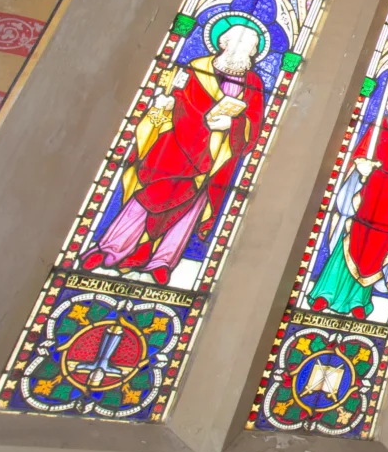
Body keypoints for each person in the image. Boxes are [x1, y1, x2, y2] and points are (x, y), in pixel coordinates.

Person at [83, 17, 269, 286]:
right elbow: (178, 99)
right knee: (147, 194)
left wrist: (233, 124)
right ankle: (110, 248)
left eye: (250, 48)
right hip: (177, 145)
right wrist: (168, 103)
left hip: (217, 156)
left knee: (190, 207)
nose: (244, 51)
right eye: (240, 45)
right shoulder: (196, 68)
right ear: (223, 42)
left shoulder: (253, 82)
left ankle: (162, 260)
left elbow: (255, 120)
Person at [307, 79, 388, 320]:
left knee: (379, 249)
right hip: (364, 197)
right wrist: (361, 168)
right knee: (348, 242)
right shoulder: (378, 127)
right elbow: (359, 154)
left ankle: (359, 300)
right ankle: (325, 293)